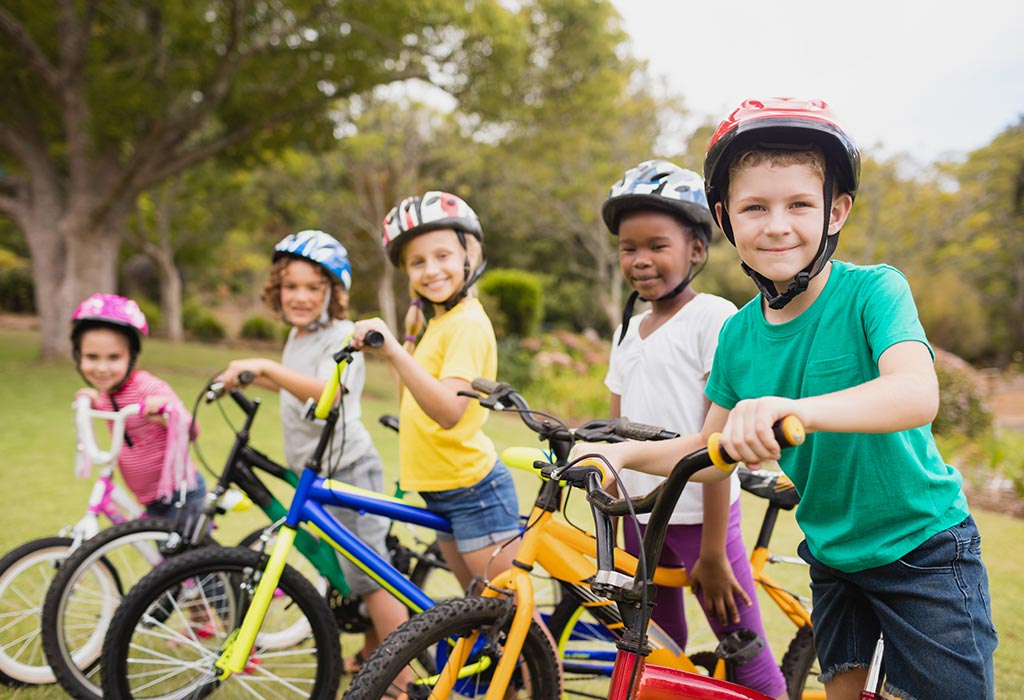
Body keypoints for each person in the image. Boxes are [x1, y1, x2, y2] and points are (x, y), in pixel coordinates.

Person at [577, 98, 998, 700]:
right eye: (755, 207)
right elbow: (706, 448)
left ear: (836, 211)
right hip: (831, 555)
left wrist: (794, 410)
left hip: (922, 549)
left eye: (799, 204)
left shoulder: (874, 291)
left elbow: (915, 394)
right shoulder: (739, 336)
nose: (777, 224)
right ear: (724, 219)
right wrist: (621, 458)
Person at [601, 160, 786, 699]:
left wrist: (710, 550)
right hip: (640, 516)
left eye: (656, 245)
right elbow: (617, 434)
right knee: (655, 643)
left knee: (741, 640)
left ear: (696, 251)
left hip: (698, 517)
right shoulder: (627, 331)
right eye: (628, 248)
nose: (640, 260)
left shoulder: (713, 318)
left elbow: (719, 443)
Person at [214, 230, 407, 673]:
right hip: (318, 472)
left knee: (370, 576)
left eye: (312, 288)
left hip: (349, 469)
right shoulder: (300, 336)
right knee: (351, 571)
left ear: (332, 292)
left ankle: (402, 680)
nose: (299, 297)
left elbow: (328, 391)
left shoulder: (342, 336)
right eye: (290, 287)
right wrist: (248, 376)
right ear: (277, 290)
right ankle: (370, 653)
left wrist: (264, 366)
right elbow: (294, 381)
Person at [350, 191, 521, 593]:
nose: (431, 270)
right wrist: (406, 342)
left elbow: (448, 412)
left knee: (508, 617)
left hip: (472, 491)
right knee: (478, 611)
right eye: (417, 262)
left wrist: (392, 349)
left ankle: (544, 661)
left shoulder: (466, 324)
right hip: (443, 490)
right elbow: (412, 400)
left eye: (442, 256)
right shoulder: (440, 324)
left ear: (470, 255)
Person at [71, 293, 205, 521]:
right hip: (149, 498)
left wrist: (168, 413)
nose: (102, 368)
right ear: (78, 356)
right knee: (163, 556)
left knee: (191, 557)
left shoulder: (148, 388)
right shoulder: (108, 393)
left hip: (179, 494)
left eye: (114, 357)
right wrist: (93, 401)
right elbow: (112, 409)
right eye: (92, 357)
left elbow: (193, 430)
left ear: (131, 357)